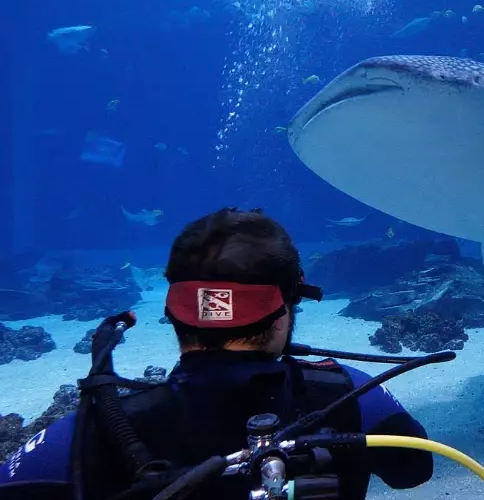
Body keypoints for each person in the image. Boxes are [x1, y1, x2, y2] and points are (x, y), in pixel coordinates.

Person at [0, 207, 434, 500]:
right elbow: (413, 471)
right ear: (287, 308)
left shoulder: (99, 426)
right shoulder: (348, 391)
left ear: (172, 311)